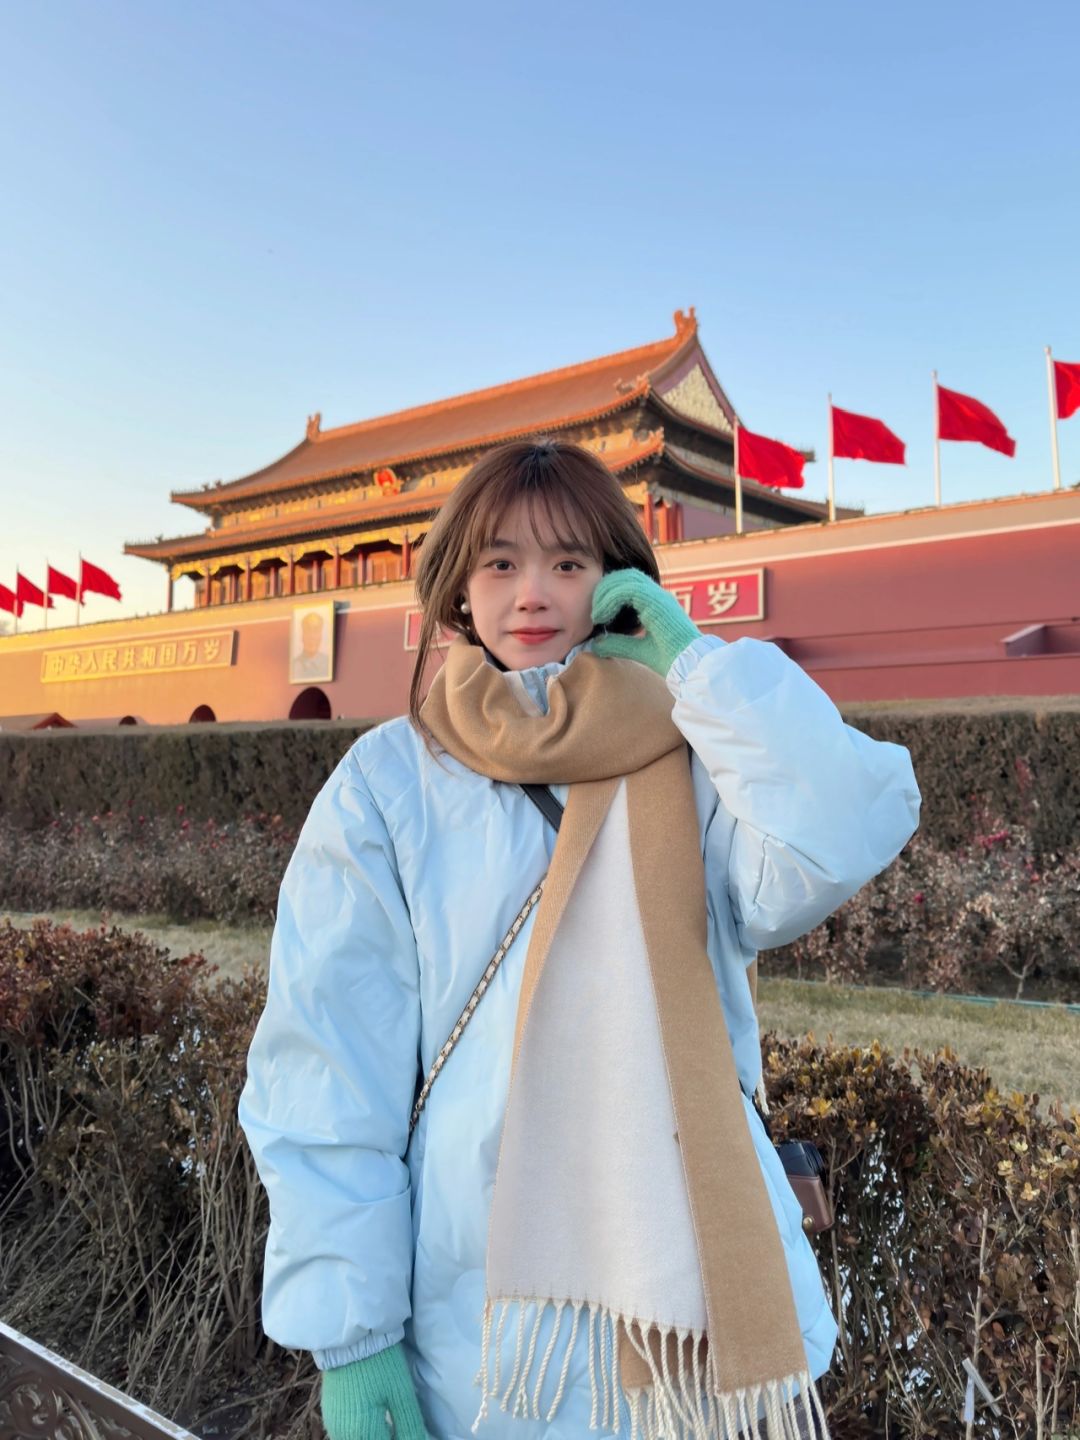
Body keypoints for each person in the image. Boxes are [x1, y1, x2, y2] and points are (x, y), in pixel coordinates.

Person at [239, 439, 921, 1440]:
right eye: (500, 562)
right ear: (458, 587)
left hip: (695, 1314)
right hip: (483, 1312)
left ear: (617, 582)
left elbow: (842, 823)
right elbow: (330, 1060)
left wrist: (694, 665)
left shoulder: (697, 754)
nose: (533, 592)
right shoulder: (389, 784)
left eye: (568, 562)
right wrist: (353, 1337)